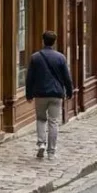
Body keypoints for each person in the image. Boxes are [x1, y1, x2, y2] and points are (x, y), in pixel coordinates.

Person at [24, 30, 74, 159]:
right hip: (56, 94)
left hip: (40, 93)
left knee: (41, 119)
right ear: (54, 42)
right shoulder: (60, 57)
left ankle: (41, 143)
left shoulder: (35, 57)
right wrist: (69, 91)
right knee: (53, 122)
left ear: (43, 41)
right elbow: (67, 77)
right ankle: (51, 151)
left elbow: (30, 78)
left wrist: (28, 94)